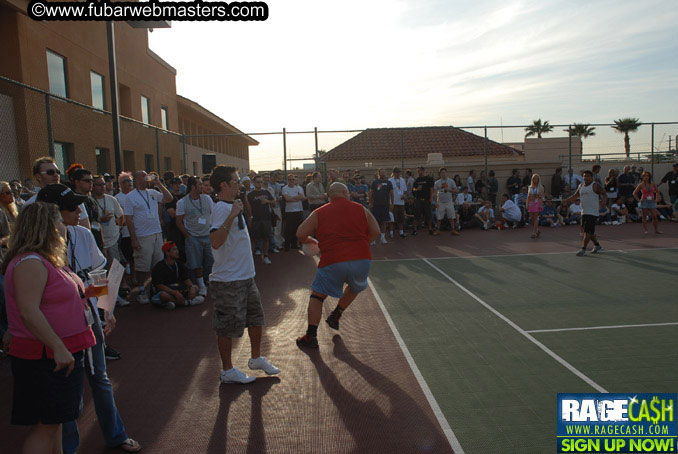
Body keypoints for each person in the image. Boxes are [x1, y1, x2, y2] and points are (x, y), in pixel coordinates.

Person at [36, 185, 140, 453]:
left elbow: (98, 273)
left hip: (88, 324)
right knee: (67, 391)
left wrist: (104, 308)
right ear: (52, 213)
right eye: (71, 207)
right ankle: (68, 448)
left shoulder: (82, 234)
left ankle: (116, 436)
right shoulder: (36, 249)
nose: (78, 210)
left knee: (100, 380)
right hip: (58, 329)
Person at [2, 202, 97, 454]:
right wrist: (58, 347)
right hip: (45, 357)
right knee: (46, 426)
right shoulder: (31, 262)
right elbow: (28, 310)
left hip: (57, 354)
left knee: (54, 424)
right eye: (58, 221)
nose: (63, 226)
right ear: (45, 227)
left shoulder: (46, 260)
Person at [208, 166, 280, 384]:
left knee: (256, 319)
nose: (240, 183)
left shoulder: (234, 204)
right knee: (227, 327)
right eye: (236, 180)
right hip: (228, 280)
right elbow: (216, 241)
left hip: (246, 277)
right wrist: (231, 216)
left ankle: (256, 358)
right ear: (224, 185)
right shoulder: (222, 208)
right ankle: (227, 371)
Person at [295, 183, 380, 348]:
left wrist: (308, 241)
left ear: (330, 195)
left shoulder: (319, 212)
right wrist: (363, 243)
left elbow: (300, 233)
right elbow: (375, 231)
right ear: (344, 193)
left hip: (333, 260)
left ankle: (311, 336)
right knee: (355, 287)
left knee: (317, 296)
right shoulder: (361, 209)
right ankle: (337, 313)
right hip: (361, 258)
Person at [124, 171, 173, 304]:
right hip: (142, 235)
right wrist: (133, 238)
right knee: (142, 266)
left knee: (157, 264)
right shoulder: (130, 197)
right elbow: (128, 219)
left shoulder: (152, 192)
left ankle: (155, 288)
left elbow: (169, 198)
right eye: (142, 176)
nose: (146, 178)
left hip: (156, 233)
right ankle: (141, 290)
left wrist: (158, 183)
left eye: (146, 175)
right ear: (135, 179)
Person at [23, 156, 90, 230]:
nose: (56, 175)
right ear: (38, 176)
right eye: (50, 172)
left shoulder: (73, 197)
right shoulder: (31, 204)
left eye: (58, 172)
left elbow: (86, 227)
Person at [176, 176, 215, 292]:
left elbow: (214, 214)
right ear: (193, 187)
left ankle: (208, 279)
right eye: (199, 184)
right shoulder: (182, 202)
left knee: (210, 260)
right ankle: (201, 285)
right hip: (193, 237)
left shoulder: (207, 199)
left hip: (207, 235)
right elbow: (179, 222)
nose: (202, 186)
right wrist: (188, 236)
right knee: (196, 263)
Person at [562, 170, 607, 256]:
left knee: (587, 232)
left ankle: (583, 249)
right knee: (589, 232)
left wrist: (604, 202)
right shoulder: (581, 186)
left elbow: (604, 194)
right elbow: (575, 196)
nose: (585, 177)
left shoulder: (595, 185)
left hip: (592, 212)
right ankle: (597, 245)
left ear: (591, 177)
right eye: (584, 176)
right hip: (584, 212)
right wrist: (566, 200)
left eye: (587, 176)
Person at [150, 242, 204, 309]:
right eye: (174, 249)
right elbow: (160, 286)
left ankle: (173, 303)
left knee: (195, 287)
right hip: (166, 291)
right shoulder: (158, 267)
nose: (177, 251)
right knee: (163, 295)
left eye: (177, 249)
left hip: (178, 290)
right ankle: (187, 302)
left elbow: (186, 279)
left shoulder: (180, 263)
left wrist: (192, 287)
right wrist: (174, 292)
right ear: (167, 253)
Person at [246, 175, 276, 265]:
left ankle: (265, 256)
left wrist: (267, 201)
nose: (259, 184)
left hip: (266, 218)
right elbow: (247, 208)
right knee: (253, 239)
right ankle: (251, 258)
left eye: (260, 182)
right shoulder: (250, 195)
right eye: (257, 182)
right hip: (255, 219)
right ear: (254, 183)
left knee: (266, 238)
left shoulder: (266, 192)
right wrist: (250, 218)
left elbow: (274, 203)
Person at [115, 173, 134, 299]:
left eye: (130, 180)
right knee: (125, 258)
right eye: (126, 181)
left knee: (135, 257)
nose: (129, 183)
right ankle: (124, 282)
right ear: (120, 184)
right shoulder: (117, 198)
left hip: (136, 232)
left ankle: (134, 278)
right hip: (124, 233)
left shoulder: (135, 196)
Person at [368, 168, 393, 244]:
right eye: (381, 172)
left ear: (386, 173)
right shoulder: (375, 182)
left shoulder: (389, 183)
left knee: (384, 222)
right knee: (375, 222)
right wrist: (370, 202)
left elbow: (391, 194)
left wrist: (392, 204)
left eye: (384, 172)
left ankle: (382, 238)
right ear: (379, 174)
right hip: (376, 205)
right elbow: (371, 193)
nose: (382, 174)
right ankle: (373, 239)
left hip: (385, 205)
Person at [281, 174, 306, 250]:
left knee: (297, 228)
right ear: (287, 180)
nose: (292, 181)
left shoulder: (299, 188)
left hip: (299, 210)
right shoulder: (284, 188)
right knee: (288, 229)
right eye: (290, 180)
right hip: (289, 211)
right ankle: (287, 245)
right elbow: (287, 199)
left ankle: (294, 244)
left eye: (293, 180)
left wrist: (291, 198)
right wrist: (296, 198)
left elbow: (302, 197)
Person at [434, 167, 459, 235]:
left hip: (449, 201)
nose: (443, 174)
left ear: (446, 173)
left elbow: (456, 191)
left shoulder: (451, 181)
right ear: (440, 174)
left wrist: (449, 190)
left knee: (451, 216)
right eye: (442, 173)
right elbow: (435, 193)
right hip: (440, 201)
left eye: (444, 172)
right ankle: (438, 229)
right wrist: (436, 202)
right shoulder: (437, 182)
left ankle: (453, 229)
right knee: (439, 217)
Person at [0, 181, 18, 258]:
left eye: (12, 191)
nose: (12, 194)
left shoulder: (14, 212)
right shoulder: (1, 213)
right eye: (8, 192)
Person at [388, 168, 408, 239]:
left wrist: (404, 195)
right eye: (396, 172)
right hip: (393, 203)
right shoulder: (390, 180)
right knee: (392, 219)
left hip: (401, 203)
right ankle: (391, 233)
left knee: (401, 218)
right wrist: (390, 203)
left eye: (399, 172)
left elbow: (405, 190)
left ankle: (401, 232)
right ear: (393, 173)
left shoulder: (402, 180)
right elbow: (388, 192)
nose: (398, 174)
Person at [526, 174, 545, 239]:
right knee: (531, 218)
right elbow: (528, 197)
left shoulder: (540, 187)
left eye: (537, 179)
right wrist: (527, 204)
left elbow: (541, 197)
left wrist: (541, 204)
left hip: (537, 202)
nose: (535, 180)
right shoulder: (530, 187)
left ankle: (534, 232)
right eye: (534, 178)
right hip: (531, 203)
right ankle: (537, 230)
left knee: (536, 217)